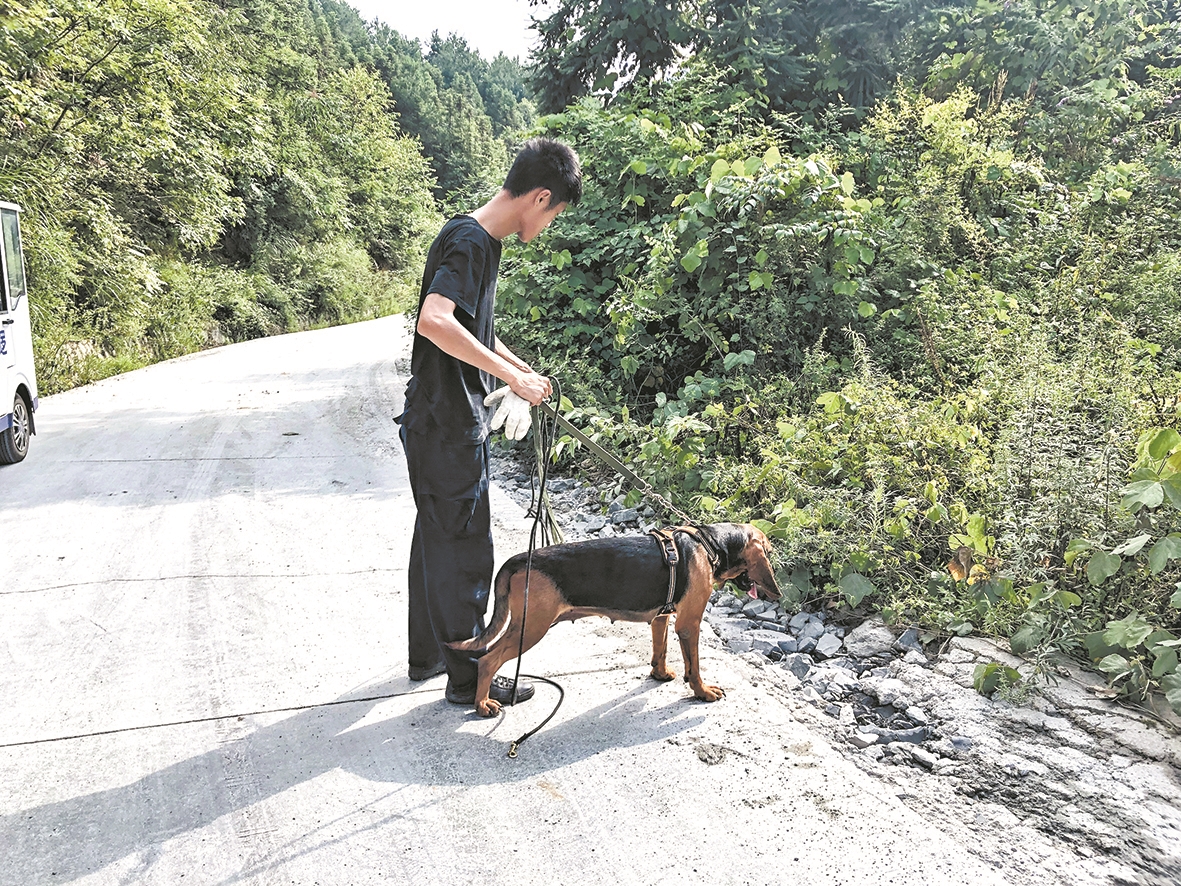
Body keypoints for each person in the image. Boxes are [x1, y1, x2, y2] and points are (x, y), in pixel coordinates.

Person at [396, 137, 582, 707]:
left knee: (436, 542)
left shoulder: (472, 236)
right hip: (447, 425)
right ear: (540, 197)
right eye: (554, 215)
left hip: (437, 420)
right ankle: (467, 678)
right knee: (465, 553)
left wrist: (516, 371)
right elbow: (434, 321)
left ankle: (429, 658)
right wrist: (513, 378)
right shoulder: (473, 241)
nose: (548, 226)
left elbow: (469, 332)